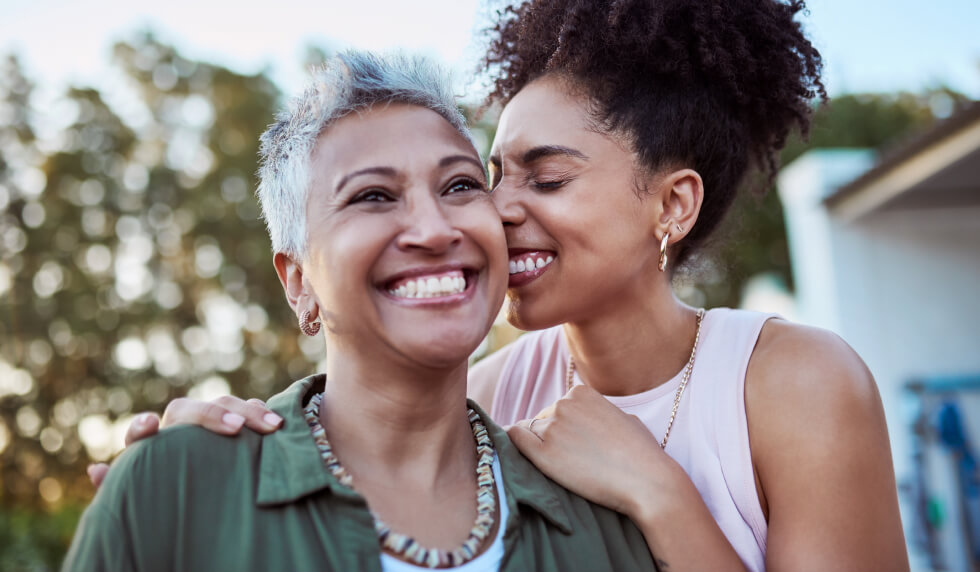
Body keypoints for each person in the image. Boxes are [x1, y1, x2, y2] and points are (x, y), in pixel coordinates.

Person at [90, 1, 910, 570]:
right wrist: (200, 446)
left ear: (672, 203)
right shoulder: (493, 394)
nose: (495, 211)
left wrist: (662, 497)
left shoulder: (795, 383)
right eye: (491, 176)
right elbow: (355, 425)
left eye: (546, 180)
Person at [64, 50, 657, 572]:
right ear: (299, 281)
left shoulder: (597, 515)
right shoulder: (177, 490)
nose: (434, 228)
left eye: (459, 186)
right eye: (373, 196)